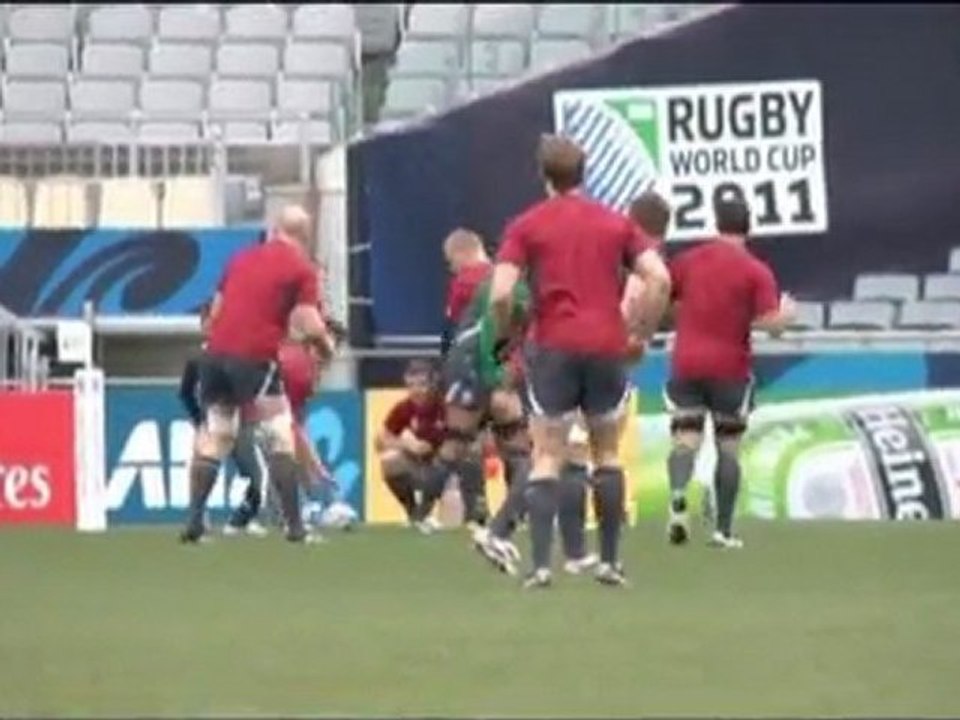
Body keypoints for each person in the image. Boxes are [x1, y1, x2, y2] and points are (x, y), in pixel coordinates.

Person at [488, 135, 671, 589]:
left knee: (548, 454)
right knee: (605, 453)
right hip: (606, 345)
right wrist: (640, 334)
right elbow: (660, 278)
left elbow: (501, 292)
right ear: (584, 172)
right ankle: (609, 562)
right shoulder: (616, 224)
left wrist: (507, 332)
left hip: (554, 345)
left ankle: (542, 567)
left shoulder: (526, 225)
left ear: (544, 175)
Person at [179, 204, 334, 545]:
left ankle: (194, 523)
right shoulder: (301, 268)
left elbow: (216, 309)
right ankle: (296, 528)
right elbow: (308, 320)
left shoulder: (240, 258)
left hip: (216, 355)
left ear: (274, 228)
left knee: (218, 435)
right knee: (279, 434)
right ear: (305, 236)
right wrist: (325, 346)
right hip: (254, 358)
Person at [664, 196, 796, 549]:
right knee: (728, 447)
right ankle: (722, 530)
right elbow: (772, 325)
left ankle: (678, 497)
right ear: (748, 226)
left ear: (717, 223)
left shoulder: (688, 261)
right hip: (730, 368)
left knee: (685, 438)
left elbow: (664, 295)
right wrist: (787, 314)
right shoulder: (756, 271)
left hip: (687, 362)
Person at [555, 189, 674, 572]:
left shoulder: (616, 251)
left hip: (574, 351)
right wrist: (637, 337)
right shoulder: (643, 263)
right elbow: (647, 298)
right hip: (607, 359)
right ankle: (606, 553)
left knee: (575, 451)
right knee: (603, 453)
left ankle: (576, 550)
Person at [179, 301, 270, 537]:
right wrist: (198, 419)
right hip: (214, 416)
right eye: (208, 321)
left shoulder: (237, 354)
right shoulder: (198, 359)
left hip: (238, 419)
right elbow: (185, 392)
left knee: (254, 474)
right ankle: (197, 518)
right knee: (203, 461)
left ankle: (243, 518)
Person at [376, 359, 447, 530]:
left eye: (422, 385)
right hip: (418, 464)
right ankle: (412, 510)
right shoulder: (404, 408)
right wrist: (407, 445)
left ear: (432, 384)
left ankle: (431, 514)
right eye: (411, 386)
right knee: (389, 461)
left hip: (446, 465)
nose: (416, 391)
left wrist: (438, 447)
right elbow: (380, 440)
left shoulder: (444, 406)